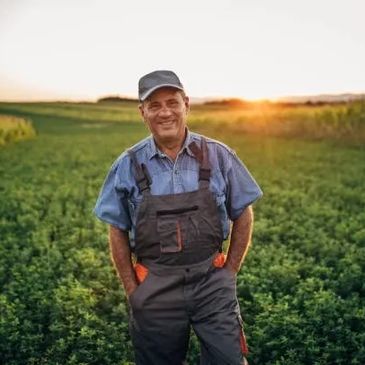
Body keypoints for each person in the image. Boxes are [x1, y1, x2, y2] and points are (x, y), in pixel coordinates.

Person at [94, 70, 263, 365]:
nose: (165, 112)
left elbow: (243, 213)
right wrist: (134, 291)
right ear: (142, 112)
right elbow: (117, 229)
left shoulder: (218, 155)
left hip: (212, 282)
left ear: (186, 104)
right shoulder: (127, 165)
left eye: (172, 102)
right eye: (154, 105)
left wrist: (229, 273)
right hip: (155, 287)